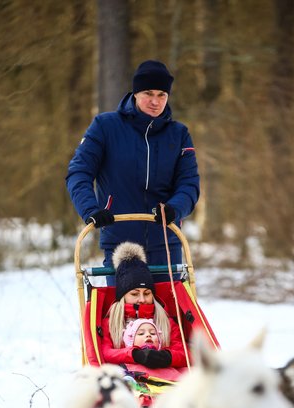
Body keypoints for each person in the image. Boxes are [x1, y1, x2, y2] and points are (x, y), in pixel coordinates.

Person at [66, 59, 200, 282]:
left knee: (170, 314)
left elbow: (189, 184)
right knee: (125, 315)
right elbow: (79, 172)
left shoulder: (179, 134)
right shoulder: (105, 127)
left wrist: (175, 209)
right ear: (135, 93)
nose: (155, 101)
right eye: (148, 93)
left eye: (162, 95)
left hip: (166, 243)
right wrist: (91, 209)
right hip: (121, 243)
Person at [101, 241, 189, 378]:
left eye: (147, 293)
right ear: (123, 296)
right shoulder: (111, 323)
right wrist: (135, 355)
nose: (142, 299)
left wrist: (166, 356)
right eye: (135, 294)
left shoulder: (165, 321)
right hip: (129, 378)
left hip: (166, 377)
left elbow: (184, 353)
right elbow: (105, 352)